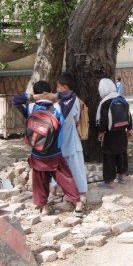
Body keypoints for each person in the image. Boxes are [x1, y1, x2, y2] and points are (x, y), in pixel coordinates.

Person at [12, 81, 83, 216]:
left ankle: (44, 208)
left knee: (40, 179)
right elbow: (72, 96)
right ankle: (78, 204)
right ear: (48, 92)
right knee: (65, 178)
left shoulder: (31, 108)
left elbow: (15, 100)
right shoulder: (59, 108)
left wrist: (32, 97)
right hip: (54, 152)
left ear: (36, 93)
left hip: (37, 153)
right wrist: (54, 95)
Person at [37, 74, 88, 202]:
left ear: (65, 88)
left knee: (76, 168)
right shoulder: (62, 102)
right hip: (62, 141)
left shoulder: (72, 100)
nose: (56, 90)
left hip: (70, 141)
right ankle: (54, 189)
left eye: (58, 87)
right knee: (59, 167)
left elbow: (66, 116)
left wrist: (54, 97)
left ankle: (81, 193)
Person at [96, 78, 133, 188]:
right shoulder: (122, 99)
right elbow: (129, 115)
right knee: (122, 153)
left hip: (110, 134)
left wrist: (101, 132)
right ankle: (123, 176)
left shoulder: (105, 103)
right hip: (122, 133)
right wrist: (129, 129)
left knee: (109, 156)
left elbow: (103, 120)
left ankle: (110, 181)